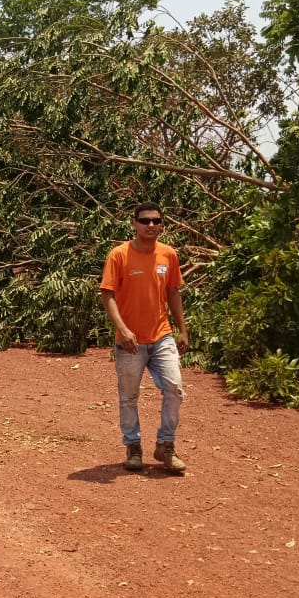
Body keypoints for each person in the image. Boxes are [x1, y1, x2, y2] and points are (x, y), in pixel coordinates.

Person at [99, 202, 189, 474]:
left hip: (162, 336)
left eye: (156, 221)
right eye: (145, 221)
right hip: (130, 342)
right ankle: (133, 447)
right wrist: (123, 330)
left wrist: (182, 329)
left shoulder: (168, 255)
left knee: (174, 389)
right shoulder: (119, 255)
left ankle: (166, 445)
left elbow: (173, 292)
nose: (151, 225)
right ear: (134, 224)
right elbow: (107, 295)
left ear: (162, 225)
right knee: (129, 397)